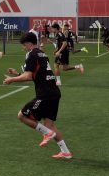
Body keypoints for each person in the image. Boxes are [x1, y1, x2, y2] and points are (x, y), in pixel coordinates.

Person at [4, 31, 72, 159]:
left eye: (24, 45)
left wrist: (11, 80)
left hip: (45, 94)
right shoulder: (42, 53)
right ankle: (66, 152)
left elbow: (28, 76)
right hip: (54, 92)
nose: (23, 48)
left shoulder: (31, 54)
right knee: (50, 125)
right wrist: (18, 73)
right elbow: (34, 75)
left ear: (29, 44)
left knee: (22, 116)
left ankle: (47, 133)